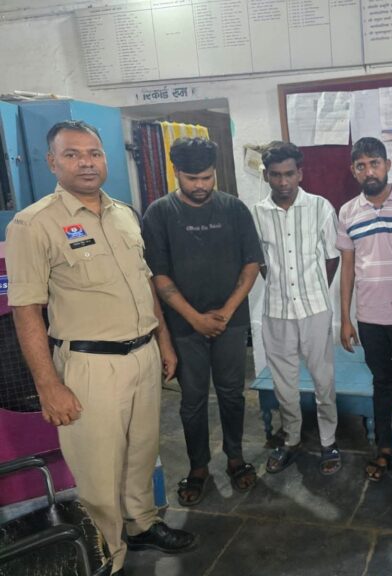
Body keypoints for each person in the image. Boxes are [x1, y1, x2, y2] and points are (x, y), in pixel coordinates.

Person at [5, 121, 196, 576]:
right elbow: (26, 310)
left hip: (143, 355)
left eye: (94, 152)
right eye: (72, 154)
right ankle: (110, 555)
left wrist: (163, 341)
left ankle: (142, 523)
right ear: (52, 162)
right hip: (90, 365)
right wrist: (48, 385)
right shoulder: (32, 224)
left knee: (141, 451)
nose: (86, 162)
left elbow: (144, 283)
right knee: (98, 470)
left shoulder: (124, 214)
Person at [142, 137, 262, 506]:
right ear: (176, 172)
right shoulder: (159, 214)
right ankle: (198, 467)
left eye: (207, 177)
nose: (200, 185)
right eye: (192, 178)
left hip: (230, 323)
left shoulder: (234, 209)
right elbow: (158, 275)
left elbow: (251, 263)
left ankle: (235, 457)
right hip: (184, 327)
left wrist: (225, 312)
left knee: (232, 394)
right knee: (192, 400)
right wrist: (195, 318)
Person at [337, 137, 392, 481]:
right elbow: (347, 268)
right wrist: (345, 319)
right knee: (381, 382)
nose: (369, 171)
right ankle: (384, 448)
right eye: (361, 165)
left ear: (387, 165)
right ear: (353, 171)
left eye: (374, 163)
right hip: (369, 316)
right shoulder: (348, 211)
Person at [252, 141, 342, 475]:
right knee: (284, 384)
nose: (283, 181)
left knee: (323, 379)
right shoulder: (256, 213)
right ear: (266, 175)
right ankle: (291, 439)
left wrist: (315, 290)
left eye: (289, 173)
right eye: (276, 175)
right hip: (276, 311)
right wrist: (280, 287)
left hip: (315, 309)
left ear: (300, 173)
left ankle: (328, 441)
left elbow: (332, 257)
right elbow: (260, 261)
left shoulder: (320, 207)